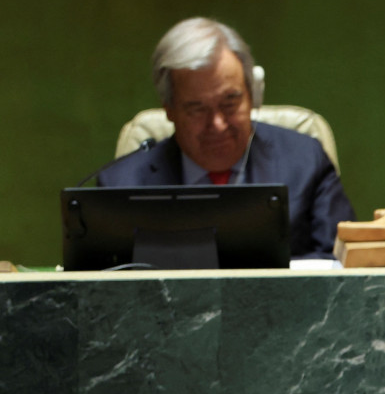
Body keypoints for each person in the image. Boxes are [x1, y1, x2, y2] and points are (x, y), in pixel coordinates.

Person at [98, 17, 355, 258]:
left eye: (230, 103)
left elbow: (343, 268)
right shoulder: (120, 186)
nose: (218, 124)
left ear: (252, 96)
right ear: (170, 110)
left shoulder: (305, 163)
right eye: (197, 108)